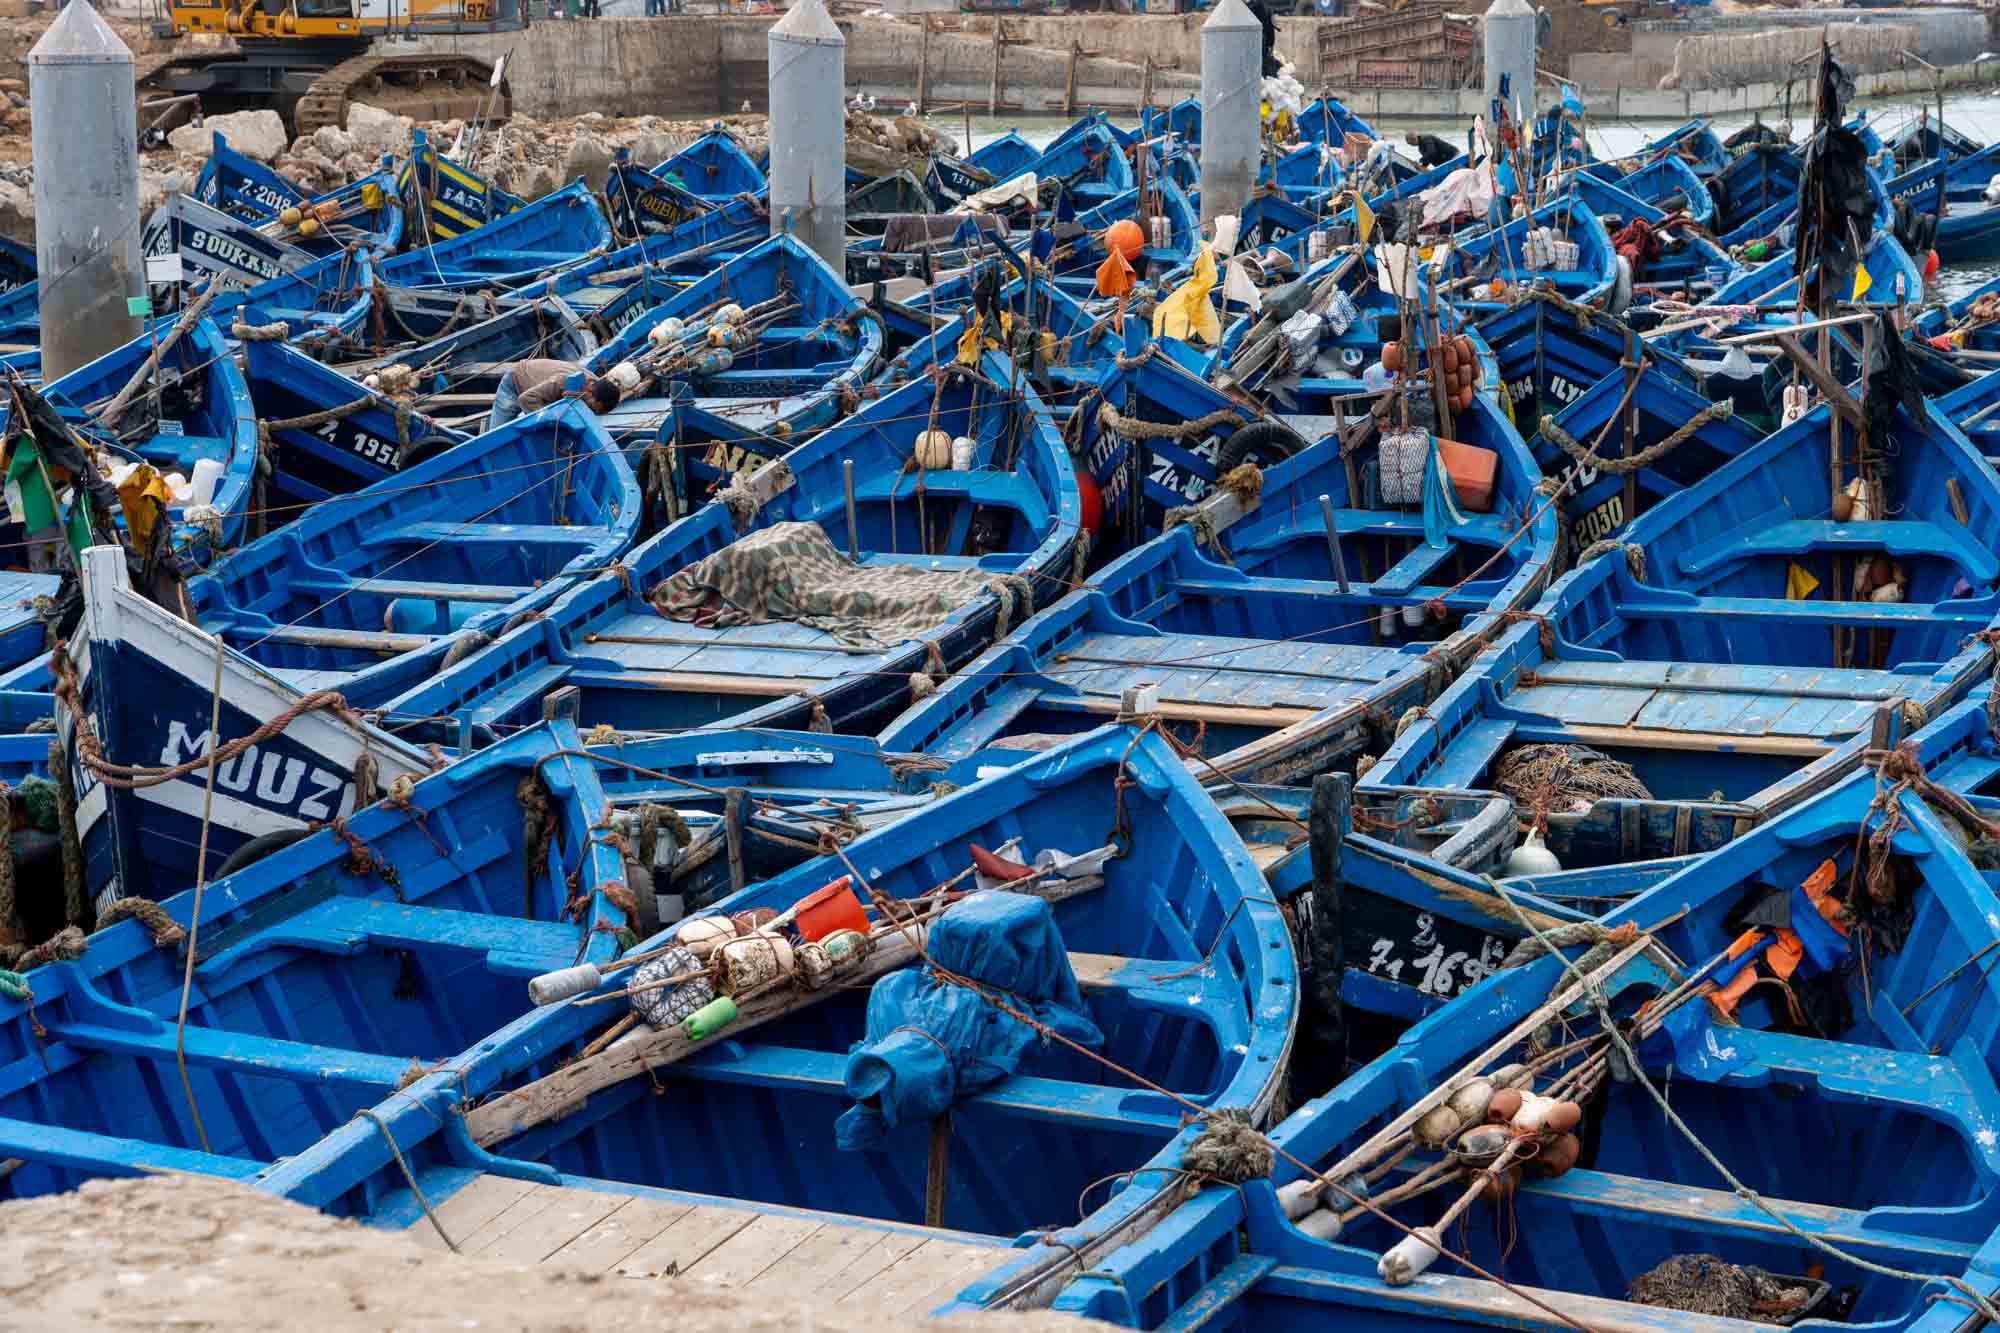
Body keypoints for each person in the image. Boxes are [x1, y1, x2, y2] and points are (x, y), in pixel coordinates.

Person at [488, 359, 619, 432]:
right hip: (515, 382)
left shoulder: (595, 384)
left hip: (540, 386)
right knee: (493, 438)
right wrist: (550, 423)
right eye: (592, 407)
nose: (591, 411)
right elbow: (526, 399)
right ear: (589, 390)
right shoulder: (563, 381)